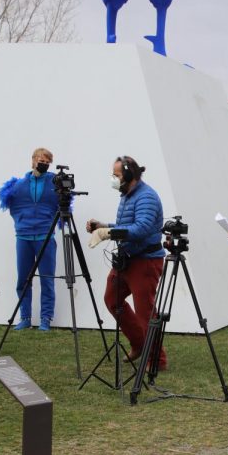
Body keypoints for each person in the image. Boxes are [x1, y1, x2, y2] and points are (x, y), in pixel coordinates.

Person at [86, 156, 167, 370]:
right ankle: (140, 344)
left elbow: (141, 228)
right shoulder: (127, 195)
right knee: (112, 300)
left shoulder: (146, 197)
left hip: (145, 261)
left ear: (129, 175)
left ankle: (157, 360)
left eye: (117, 175)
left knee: (145, 311)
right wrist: (103, 226)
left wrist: (108, 233)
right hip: (128, 258)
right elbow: (126, 226)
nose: (113, 179)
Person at [0, 148, 59, 331]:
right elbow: (12, 206)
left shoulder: (55, 183)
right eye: (41, 159)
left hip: (46, 237)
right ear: (32, 160)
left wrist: (48, 221)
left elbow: (62, 207)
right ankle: (25, 317)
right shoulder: (19, 185)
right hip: (23, 237)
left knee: (47, 279)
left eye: (47, 161)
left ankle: (45, 319)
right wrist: (21, 221)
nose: (43, 163)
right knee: (23, 279)